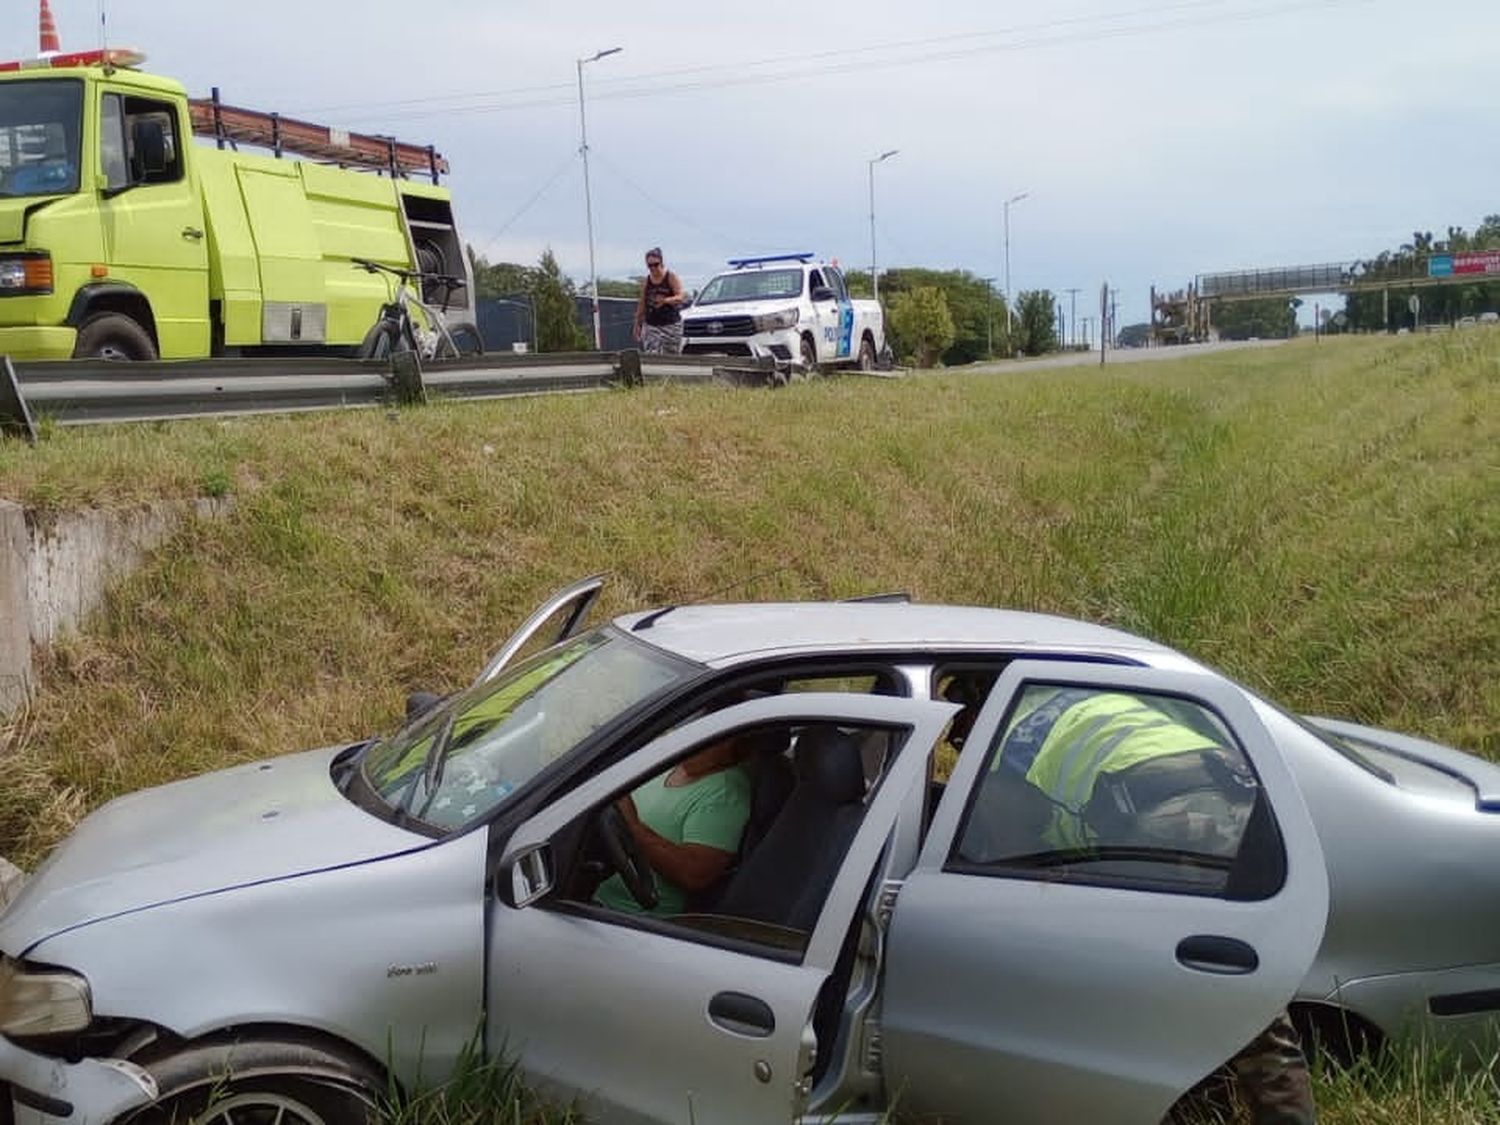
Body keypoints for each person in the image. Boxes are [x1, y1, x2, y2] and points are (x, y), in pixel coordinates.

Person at [999, 689, 1318, 1125]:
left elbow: (1013, 852)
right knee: (1243, 981)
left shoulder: (1002, 748)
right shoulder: (1071, 689)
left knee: (1149, 982)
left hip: (1162, 817)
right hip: (1236, 793)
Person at [594, 730, 752, 916]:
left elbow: (695, 874)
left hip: (632, 917)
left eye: (703, 731)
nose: (687, 737)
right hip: (594, 891)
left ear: (728, 742)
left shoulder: (725, 792)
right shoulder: (668, 764)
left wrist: (633, 827)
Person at [633, 247, 687, 354]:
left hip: (670, 324)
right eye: (650, 266)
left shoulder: (670, 277)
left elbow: (681, 296)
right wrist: (637, 324)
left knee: (671, 354)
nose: (653, 268)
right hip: (652, 324)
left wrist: (665, 300)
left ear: (661, 263)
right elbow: (642, 304)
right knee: (651, 352)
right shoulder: (647, 281)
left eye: (655, 265)